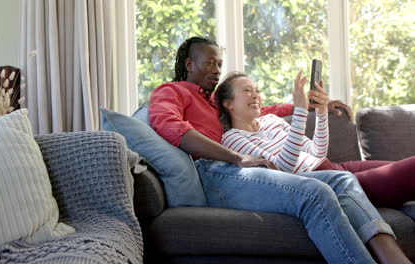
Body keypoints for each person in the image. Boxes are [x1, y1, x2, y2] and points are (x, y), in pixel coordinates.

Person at [149, 36, 411, 264]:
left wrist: (308, 106)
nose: (217, 70)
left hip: (232, 164)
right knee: (316, 191)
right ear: (189, 64)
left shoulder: (214, 103)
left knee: (341, 179)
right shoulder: (171, 91)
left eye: (219, 64)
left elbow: (263, 112)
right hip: (215, 168)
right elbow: (170, 126)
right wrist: (237, 157)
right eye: (210, 63)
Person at [216, 71, 415, 209]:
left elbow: (317, 152)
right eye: (247, 90)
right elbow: (283, 169)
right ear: (228, 103)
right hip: (328, 182)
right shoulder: (233, 139)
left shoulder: (271, 120)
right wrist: (301, 111)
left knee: (403, 167)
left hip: (337, 167)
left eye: (257, 90)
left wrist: (320, 112)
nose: (256, 95)